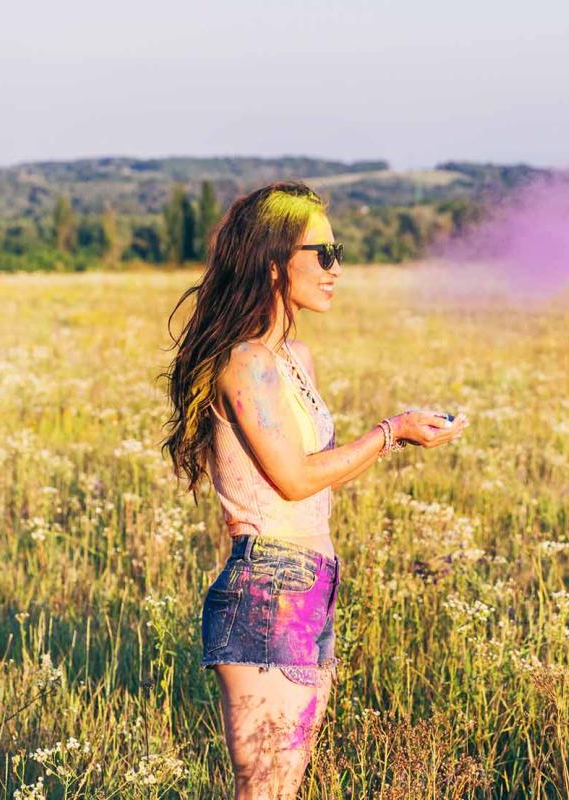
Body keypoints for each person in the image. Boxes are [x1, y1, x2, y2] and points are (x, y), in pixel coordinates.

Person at [162, 181, 467, 799]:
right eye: (322, 254)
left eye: (338, 253)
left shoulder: (292, 355)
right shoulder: (244, 362)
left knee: (286, 783)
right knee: (265, 786)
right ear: (275, 264)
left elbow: (310, 469)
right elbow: (295, 478)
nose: (335, 270)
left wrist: (397, 433)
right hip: (267, 584)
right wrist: (392, 432)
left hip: (312, 577)